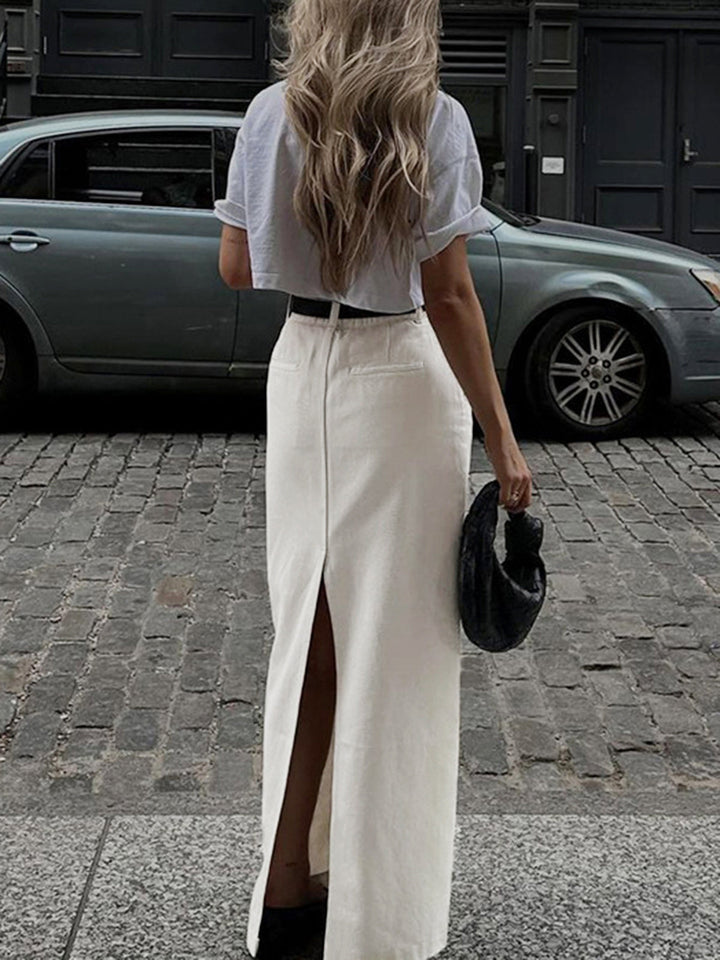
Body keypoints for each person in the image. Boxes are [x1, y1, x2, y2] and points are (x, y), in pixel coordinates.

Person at [214, 2, 533, 957]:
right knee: (397, 658)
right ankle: (380, 921)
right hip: (398, 377)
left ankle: (287, 891)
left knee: (306, 638)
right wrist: (504, 443)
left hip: (301, 367)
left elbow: (236, 266)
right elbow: (449, 294)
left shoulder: (270, 112)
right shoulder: (435, 119)